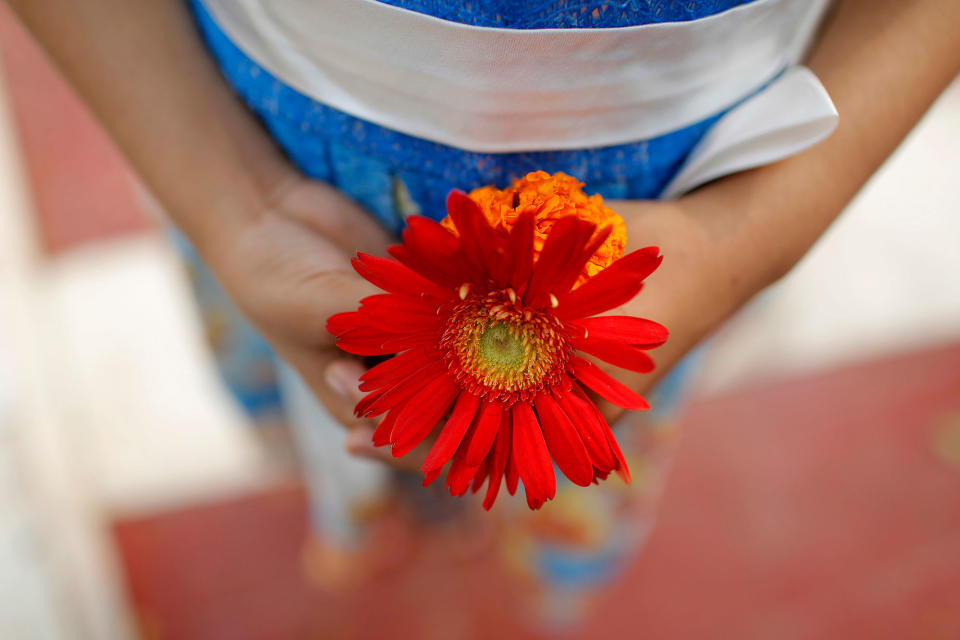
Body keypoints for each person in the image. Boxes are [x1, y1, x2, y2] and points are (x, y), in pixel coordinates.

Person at [11, 0, 960, 631]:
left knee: (544, 460)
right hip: (248, 136)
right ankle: (406, 503)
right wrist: (229, 197)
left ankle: (452, 515)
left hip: (654, 233)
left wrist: (745, 239)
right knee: (344, 419)